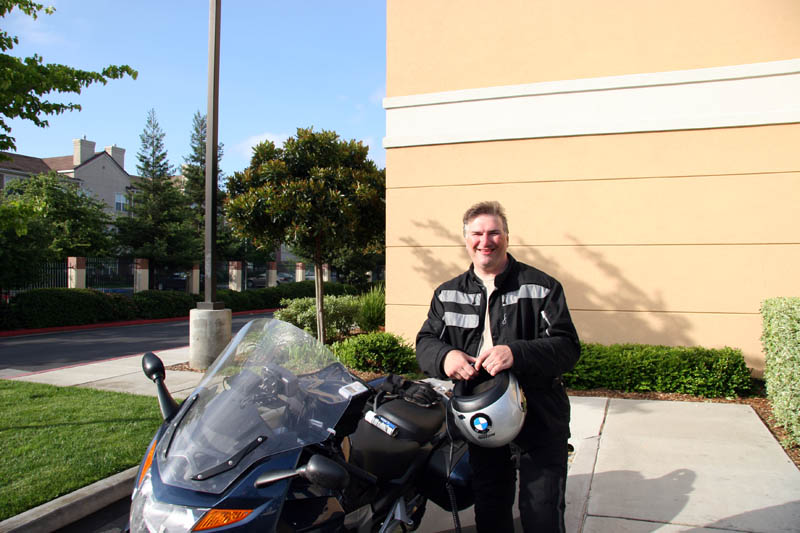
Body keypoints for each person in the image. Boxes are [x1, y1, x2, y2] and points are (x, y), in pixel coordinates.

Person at [416, 200, 581, 532]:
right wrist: (445, 357)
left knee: (542, 511)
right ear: (466, 239)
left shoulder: (541, 287)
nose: (485, 241)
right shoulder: (447, 294)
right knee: (491, 509)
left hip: (540, 415)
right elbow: (425, 342)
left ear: (507, 237)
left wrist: (516, 354)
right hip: (481, 418)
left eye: (494, 233)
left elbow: (567, 347)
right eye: (477, 234)